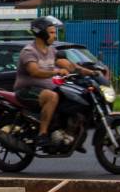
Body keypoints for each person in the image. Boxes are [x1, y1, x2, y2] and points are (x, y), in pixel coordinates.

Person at [13, 16, 92, 147]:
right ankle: (42, 134)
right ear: (42, 33)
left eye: (55, 33)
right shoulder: (29, 51)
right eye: (51, 33)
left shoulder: (51, 50)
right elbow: (35, 72)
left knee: (73, 97)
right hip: (26, 90)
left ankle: (67, 132)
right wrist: (55, 72)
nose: (54, 36)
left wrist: (90, 72)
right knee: (52, 97)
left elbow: (68, 65)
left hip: (46, 88)